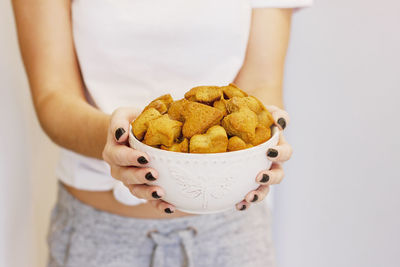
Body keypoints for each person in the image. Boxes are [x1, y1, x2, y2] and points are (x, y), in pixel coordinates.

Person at [12, 0, 312, 266]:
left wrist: (264, 142)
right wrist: (117, 141)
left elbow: (262, 82)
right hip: (97, 239)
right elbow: (52, 95)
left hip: (234, 239)